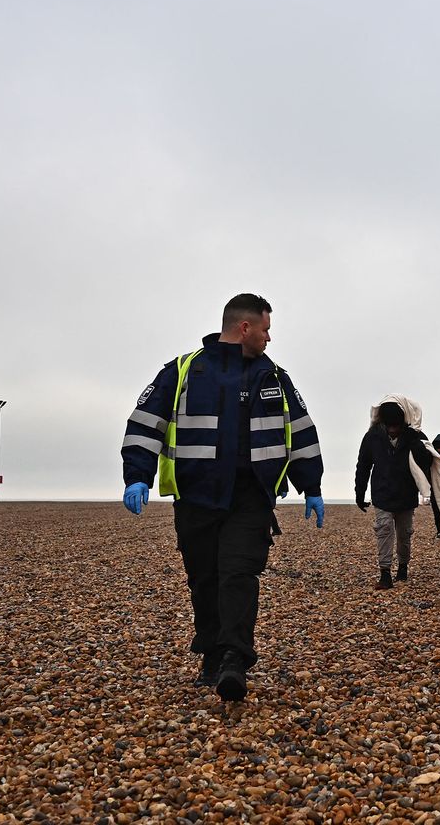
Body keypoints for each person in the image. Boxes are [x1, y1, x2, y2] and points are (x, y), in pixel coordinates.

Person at [120, 293, 324, 702]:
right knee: (204, 578)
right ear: (245, 328)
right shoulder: (183, 371)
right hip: (196, 497)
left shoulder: (276, 377)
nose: (270, 337)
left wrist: (312, 485)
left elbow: (301, 430)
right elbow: (145, 423)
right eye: (266, 329)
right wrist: (136, 475)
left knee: (238, 573)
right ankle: (211, 654)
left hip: (252, 497)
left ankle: (234, 657)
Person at [355, 396, 435, 589]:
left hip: (406, 496)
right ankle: (385, 574)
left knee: (404, 534)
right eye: (389, 426)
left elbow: (427, 462)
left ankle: (403, 567)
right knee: (383, 530)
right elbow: (364, 465)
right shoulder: (372, 436)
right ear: (383, 423)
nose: (392, 430)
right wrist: (360, 492)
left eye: (396, 427)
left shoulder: (415, 437)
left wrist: (416, 445)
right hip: (382, 494)